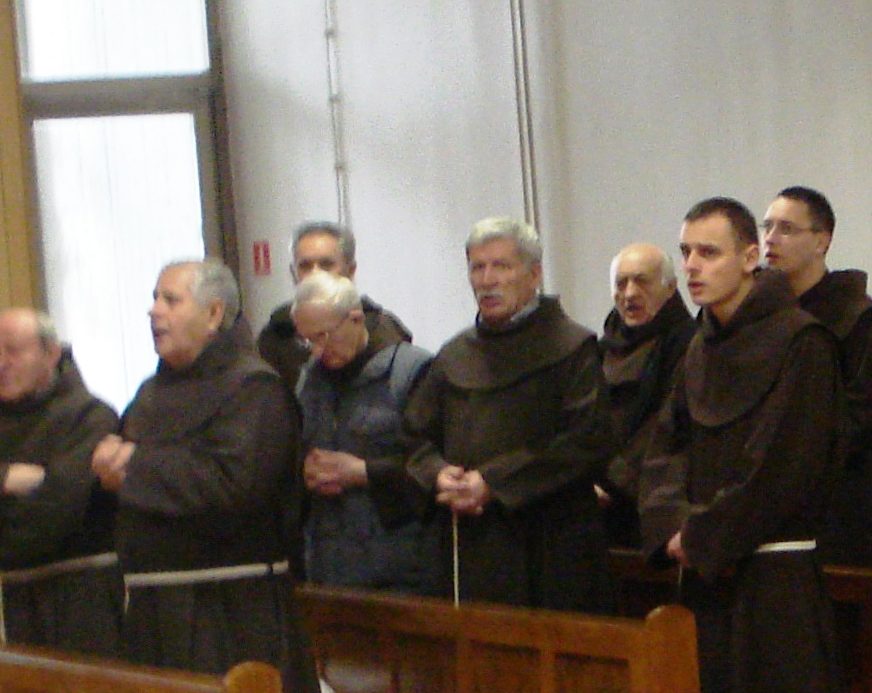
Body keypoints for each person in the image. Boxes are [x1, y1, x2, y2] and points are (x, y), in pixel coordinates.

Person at [92, 260, 345, 693]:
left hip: (231, 613)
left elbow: (234, 483)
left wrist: (134, 468)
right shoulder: (151, 392)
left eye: (170, 299)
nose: (154, 310)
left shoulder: (254, 389)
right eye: (154, 298)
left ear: (213, 314)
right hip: (155, 612)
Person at [639, 197, 853, 693]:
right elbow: (665, 449)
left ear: (750, 257)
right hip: (704, 581)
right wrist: (673, 526)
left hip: (775, 585)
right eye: (686, 252)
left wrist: (701, 536)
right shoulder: (698, 345)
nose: (692, 266)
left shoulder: (803, 342)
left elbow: (782, 467)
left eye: (709, 253)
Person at [403, 217, 614, 613]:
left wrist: (494, 482)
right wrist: (437, 474)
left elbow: (586, 440)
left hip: (552, 545)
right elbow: (414, 436)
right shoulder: (453, 355)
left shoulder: (571, 347)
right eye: (477, 267)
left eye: (501, 266)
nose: (487, 280)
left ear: (534, 273)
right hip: (473, 545)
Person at [0, 308, 122, 656]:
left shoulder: (91, 416)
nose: (0, 364)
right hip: (15, 598)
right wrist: (3, 479)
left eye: (13, 351)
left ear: (51, 353)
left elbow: (55, 513)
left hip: (84, 598)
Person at [762, 186, 872, 569]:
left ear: (821, 241)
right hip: (769, 508)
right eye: (767, 227)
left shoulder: (860, 318)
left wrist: (789, 443)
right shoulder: (757, 316)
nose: (770, 239)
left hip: (841, 510)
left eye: (786, 229)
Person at [292, 272, 437, 592]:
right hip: (327, 565)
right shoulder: (310, 380)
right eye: (307, 340)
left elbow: (434, 467)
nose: (316, 351)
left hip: (401, 568)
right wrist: (305, 469)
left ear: (356, 319)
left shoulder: (412, 371)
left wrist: (364, 472)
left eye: (323, 336)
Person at [598, 242, 695, 548]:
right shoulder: (601, 348)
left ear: (671, 288)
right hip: (595, 504)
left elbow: (666, 425)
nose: (629, 293)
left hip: (653, 505)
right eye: (621, 283)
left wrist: (613, 484)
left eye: (642, 281)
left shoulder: (689, 345)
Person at [254, 221, 412, 385]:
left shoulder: (385, 335)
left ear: (350, 271)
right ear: (293, 274)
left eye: (326, 265)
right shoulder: (277, 337)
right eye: (305, 266)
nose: (315, 274)